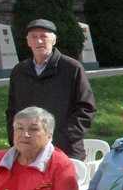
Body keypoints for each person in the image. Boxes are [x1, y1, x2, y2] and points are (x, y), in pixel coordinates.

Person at [5, 18, 96, 160]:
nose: (39, 41)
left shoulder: (71, 68)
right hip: (28, 151)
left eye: (44, 37)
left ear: (53, 40)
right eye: (34, 37)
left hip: (65, 151)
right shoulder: (19, 71)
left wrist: (65, 136)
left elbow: (86, 108)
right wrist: (15, 137)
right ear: (28, 42)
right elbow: (12, 110)